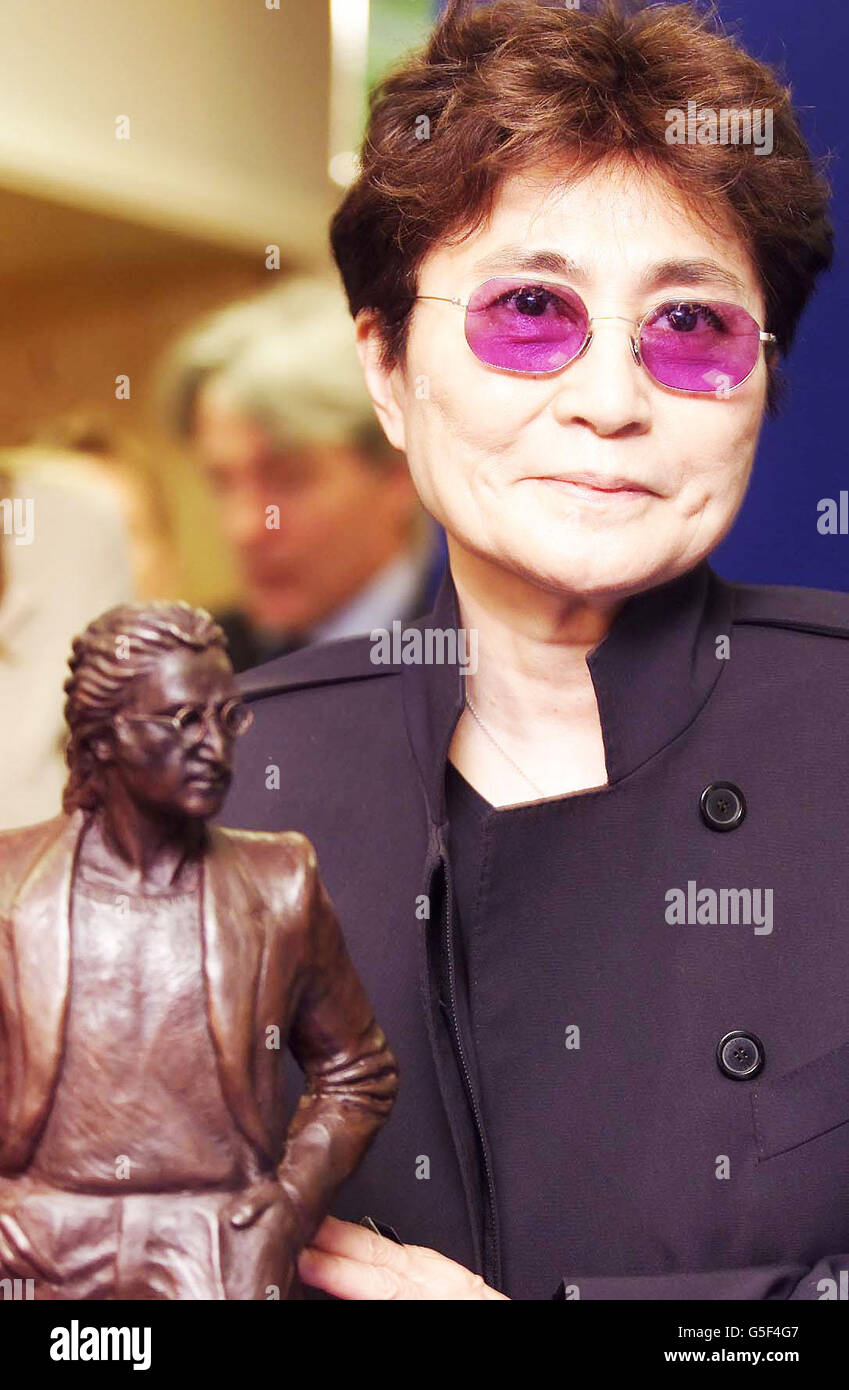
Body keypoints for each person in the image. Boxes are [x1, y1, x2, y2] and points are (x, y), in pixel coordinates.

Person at [222, 0, 845, 1300]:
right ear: (388, 369)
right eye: (528, 311)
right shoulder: (231, 772)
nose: (611, 401)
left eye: (690, 328)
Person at [0, 602, 398, 1299]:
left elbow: (356, 1070)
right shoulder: (8, 885)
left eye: (227, 717)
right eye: (184, 721)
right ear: (102, 737)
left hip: (213, 1245)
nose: (215, 748)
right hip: (32, 1242)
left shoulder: (281, 884)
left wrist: (291, 1204)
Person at [159, 276, 444, 671]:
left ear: (400, 472)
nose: (245, 528)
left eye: (288, 479)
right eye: (221, 482)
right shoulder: (197, 674)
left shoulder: (493, 659)